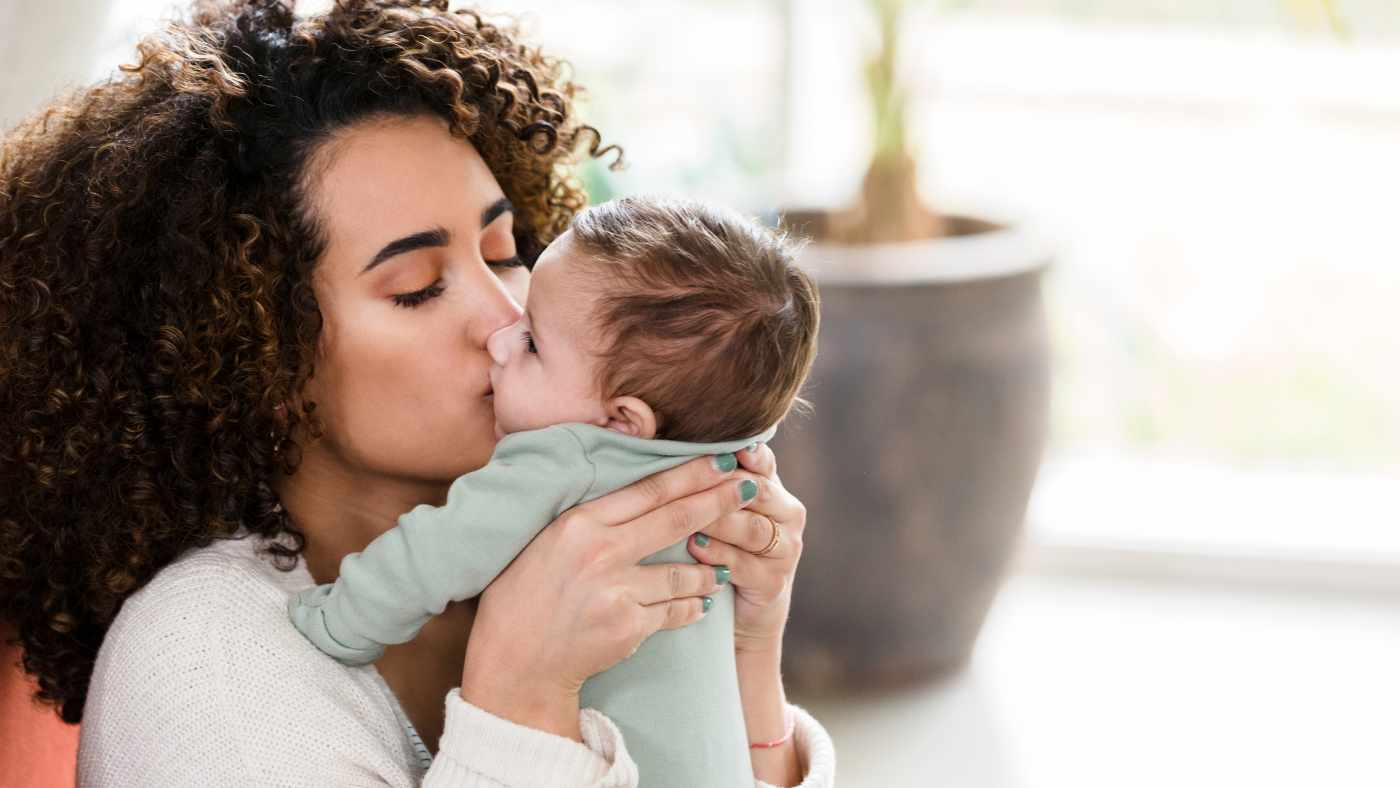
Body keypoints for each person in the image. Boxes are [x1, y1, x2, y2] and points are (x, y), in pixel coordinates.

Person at [0, 1, 836, 786]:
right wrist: (520, 695)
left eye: (505, 249)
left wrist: (747, 655)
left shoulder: (574, 558)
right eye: (416, 287)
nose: (507, 316)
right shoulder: (204, 662)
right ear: (254, 344)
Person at [285, 196, 820, 786]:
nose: (501, 337)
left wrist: (338, 621)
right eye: (417, 287)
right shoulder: (729, 464)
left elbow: (435, 553)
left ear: (621, 420)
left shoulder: (567, 459)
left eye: (533, 343)